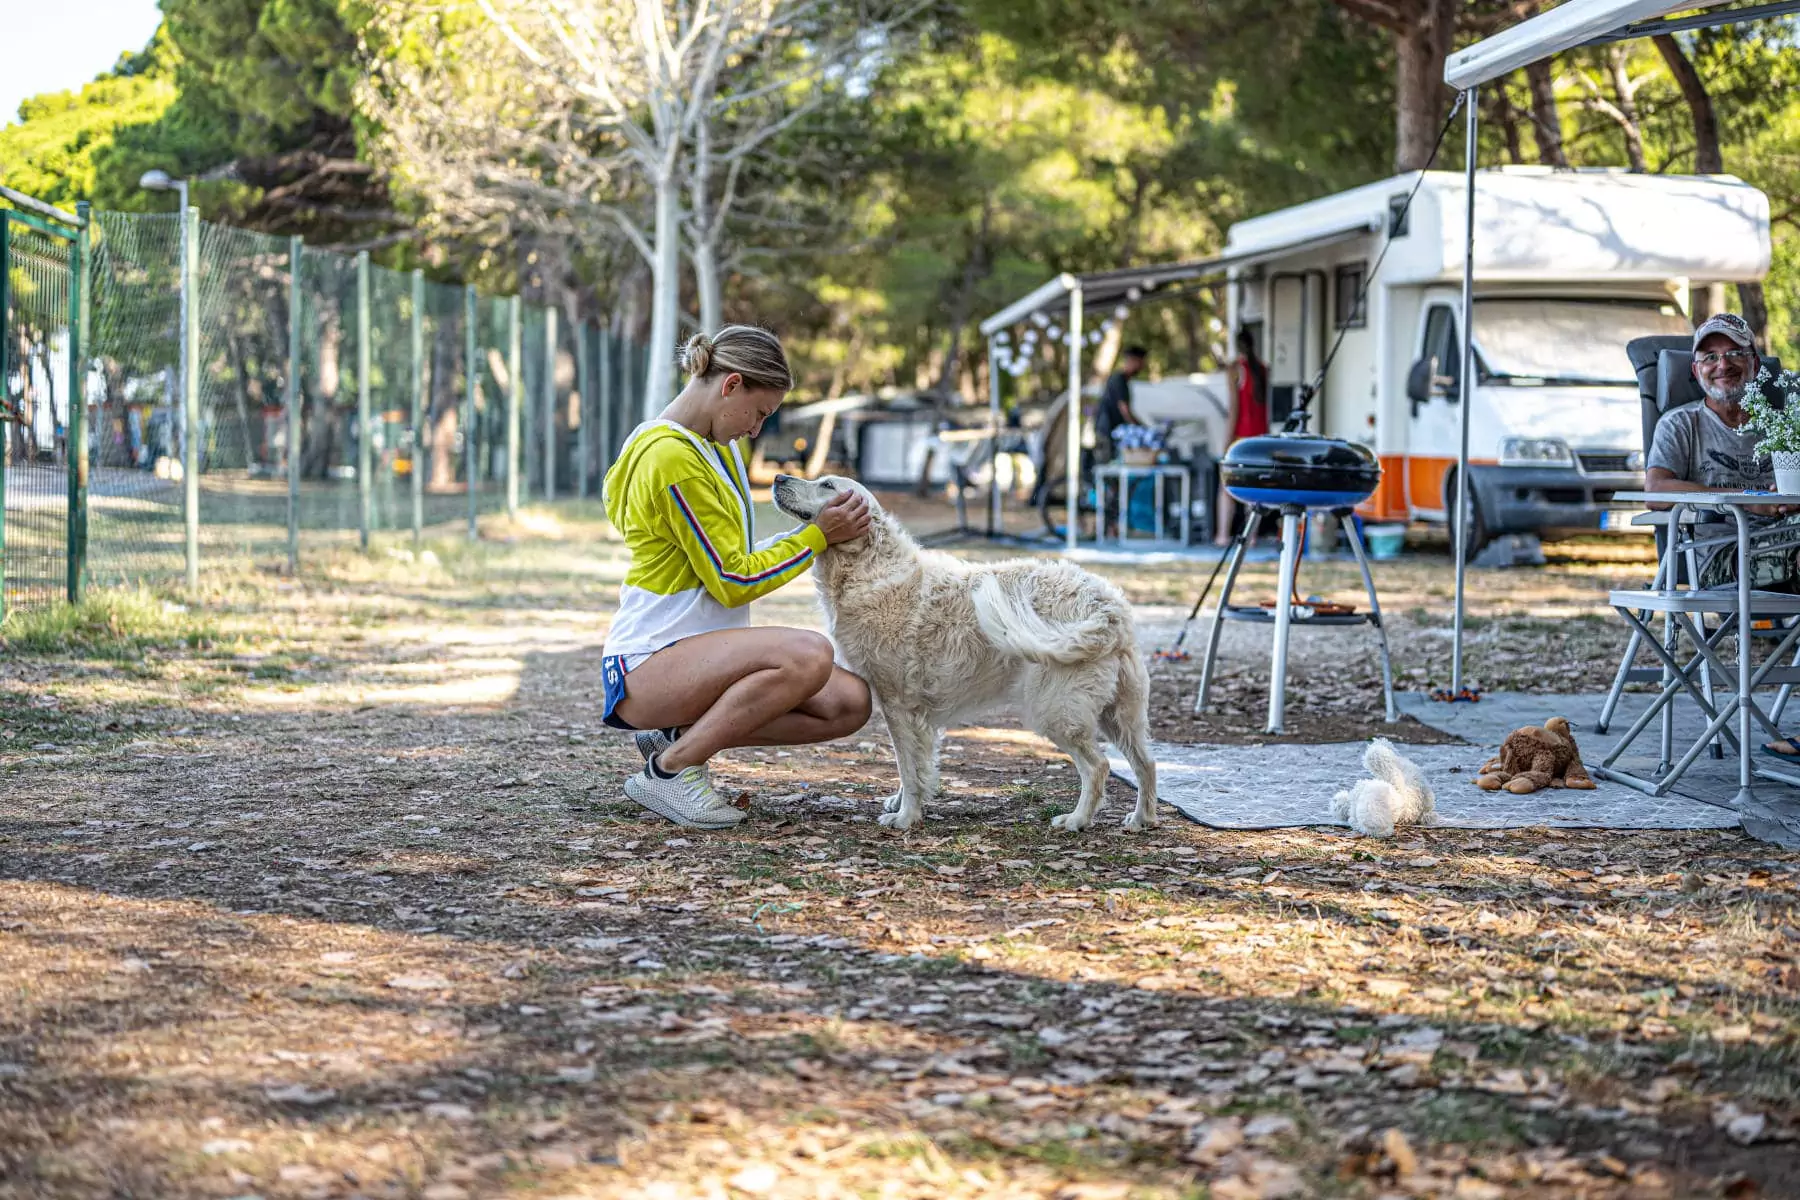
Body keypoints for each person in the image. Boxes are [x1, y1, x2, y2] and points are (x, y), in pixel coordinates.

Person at [600, 326, 874, 828]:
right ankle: (669, 772)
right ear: (731, 386)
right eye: (760, 413)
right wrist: (819, 536)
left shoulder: (714, 446)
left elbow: (733, 557)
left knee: (849, 705)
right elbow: (732, 579)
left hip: (698, 654)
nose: (755, 429)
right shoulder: (670, 456)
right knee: (808, 654)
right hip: (648, 663)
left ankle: (679, 735)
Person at [1646, 312, 1800, 758]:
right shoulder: (1681, 424)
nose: (1723, 363)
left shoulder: (1783, 424)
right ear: (1695, 371)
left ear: (1754, 363)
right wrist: (1747, 498)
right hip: (1719, 555)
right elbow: (1655, 491)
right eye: (1709, 356)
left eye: (1734, 352)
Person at [1214, 328, 1270, 546]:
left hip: (1241, 435)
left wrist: (1227, 440)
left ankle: (1222, 535)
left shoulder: (1235, 369)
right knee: (1253, 486)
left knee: (1226, 486)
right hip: (1260, 436)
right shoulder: (1264, 369)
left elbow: (1234, 408)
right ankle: (1252, 536)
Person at [1094, 345, 1148, 464]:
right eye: (1141, 362)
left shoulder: (1122, 381)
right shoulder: (1118, 380)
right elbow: (1125, 410)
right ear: (1133, 361)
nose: (1142, 366)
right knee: (1107, 467)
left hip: (1110, 431)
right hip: (1107, 431)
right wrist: (1141, 428)